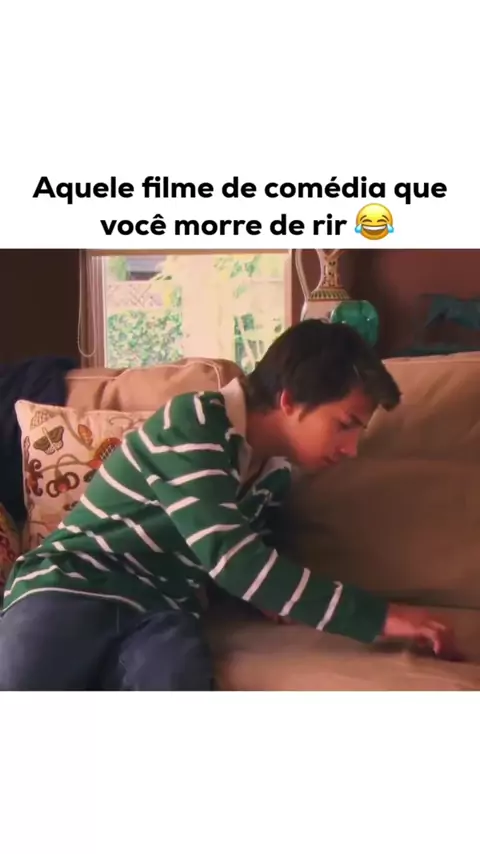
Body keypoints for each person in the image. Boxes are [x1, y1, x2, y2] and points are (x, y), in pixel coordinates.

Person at [0, 320, 459, 690]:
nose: (351, 449)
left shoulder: (274, 475)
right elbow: (232, 558)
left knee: (176, 683)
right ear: (290, 400)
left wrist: (266, 598)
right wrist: (382, 617)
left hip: (162, 610)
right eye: (345, 424)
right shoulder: (194, 421)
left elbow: (245, 562)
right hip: (75, 582)